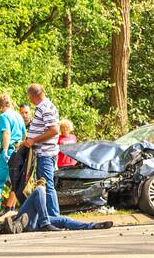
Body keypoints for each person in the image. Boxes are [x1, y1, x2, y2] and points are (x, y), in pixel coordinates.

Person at [21, 84, 112, 231]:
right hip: (44, 153)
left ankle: (53, 216)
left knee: (45, 186)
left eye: (30, 97)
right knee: (45, 186)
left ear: (32, 96)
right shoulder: (46, 107)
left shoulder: (45, 107)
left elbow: (54, 130)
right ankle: (54, 217)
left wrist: (33, 140)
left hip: (45, 153)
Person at [0, 94, 26, 204]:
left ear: (0, 105)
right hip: (19, 150)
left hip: (9, 151)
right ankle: (10, 207)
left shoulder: (4, 116)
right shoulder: (18, 116)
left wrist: (4, 150)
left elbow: (6, 133)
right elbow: (24, 136)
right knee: (15, 181)